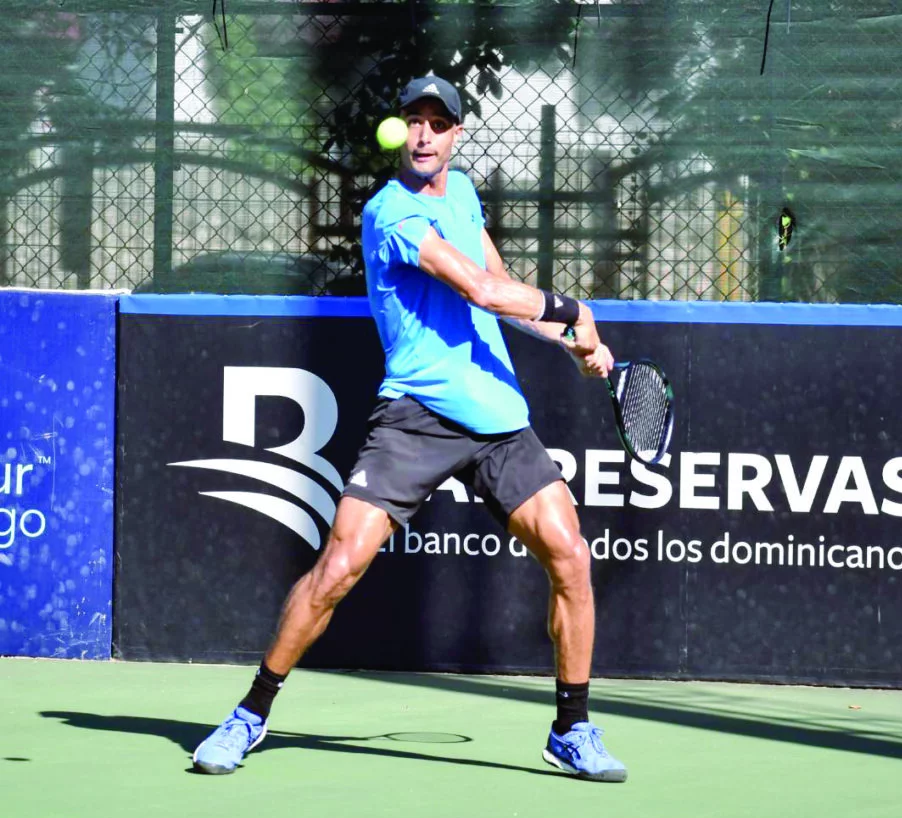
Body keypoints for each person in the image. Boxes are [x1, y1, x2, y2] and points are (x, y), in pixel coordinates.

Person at [192, 74, 627, 782]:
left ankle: (572, 728)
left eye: (438, 122)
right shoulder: (389, 213)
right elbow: (478, 289)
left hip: (495, 415)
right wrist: (576, 309)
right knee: (338, 568)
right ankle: (250, 713)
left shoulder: (462, 195)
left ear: (458, 135)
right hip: (415, 415)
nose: (423, 133)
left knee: (571, 557)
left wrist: (574, 344)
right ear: (401, 131)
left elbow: (506, 297)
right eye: (413, 120)